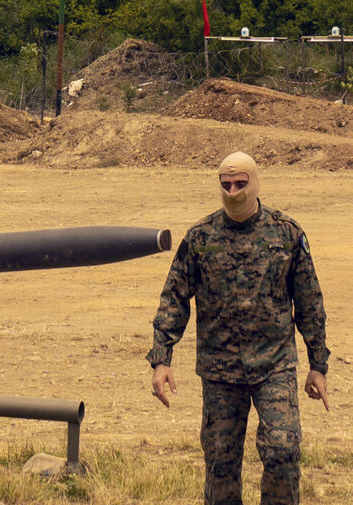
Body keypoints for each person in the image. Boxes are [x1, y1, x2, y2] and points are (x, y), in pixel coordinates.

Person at [146, 151, 330, 505]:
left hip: (274, 365)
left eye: (241, 183)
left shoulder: (286, 234)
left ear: (255, 182)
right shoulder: (201, 238)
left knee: (283, 451)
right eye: (226, 184)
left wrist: (318, 365)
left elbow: (309, 302)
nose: (233, 191)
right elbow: (175, 298)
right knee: (220, 464)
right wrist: (161, 358)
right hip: (220, 370)